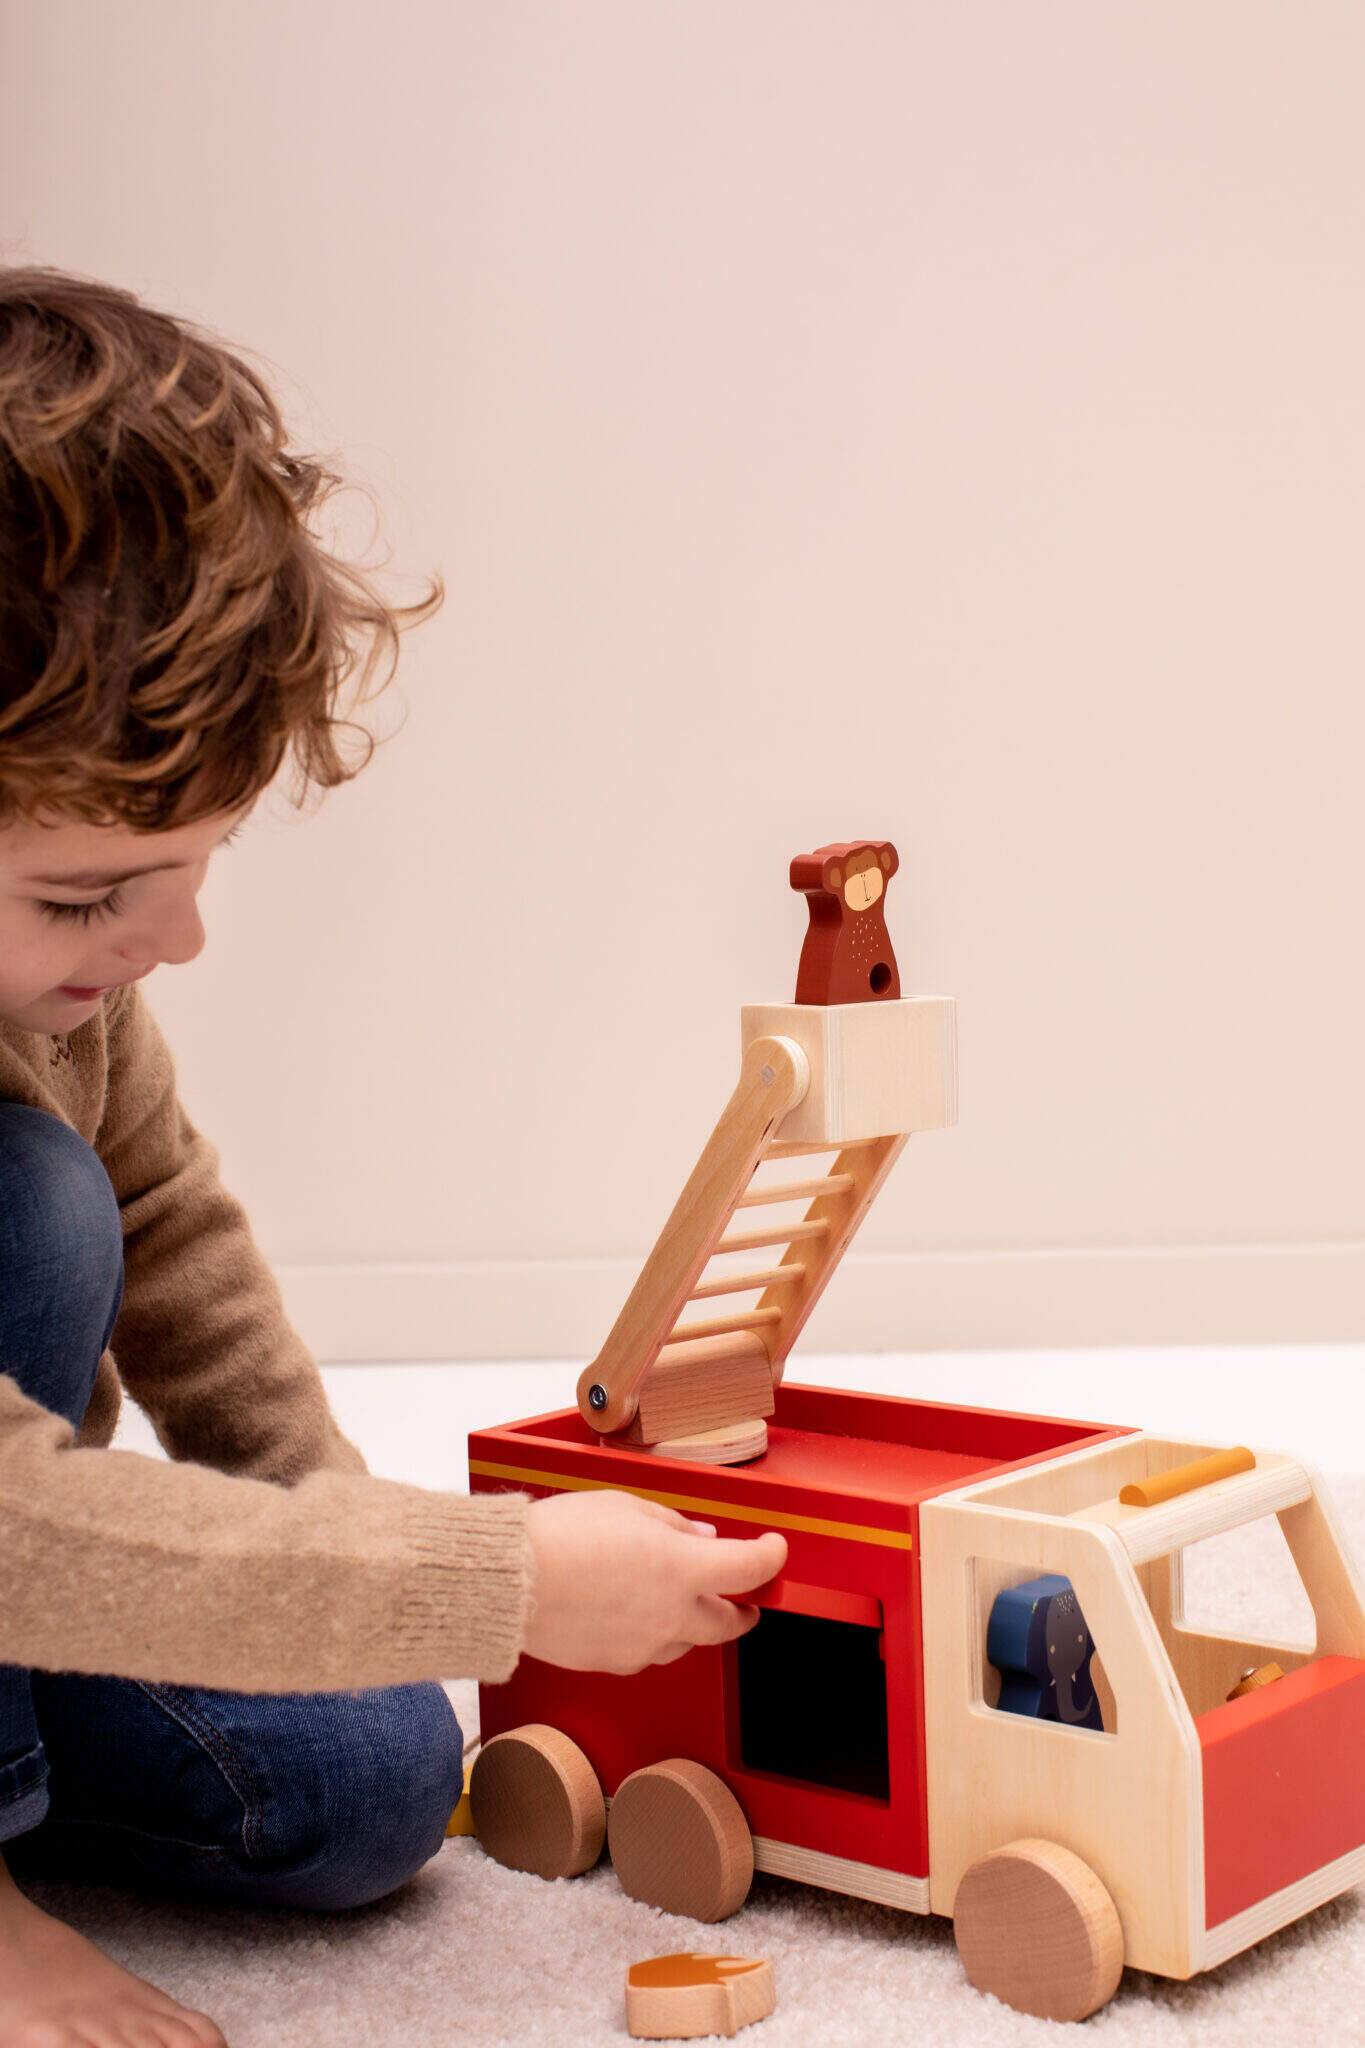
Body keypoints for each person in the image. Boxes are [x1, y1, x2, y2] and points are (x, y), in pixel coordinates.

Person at [0, 267, 787, 2048]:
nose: (174, 942)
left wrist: (355, 1548)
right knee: (27, 1201)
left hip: (32, 1557)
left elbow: (177, 1238)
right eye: (92, 896)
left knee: (367, 1778)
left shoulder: (71, 989)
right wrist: (500, 1575)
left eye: (193, 868)